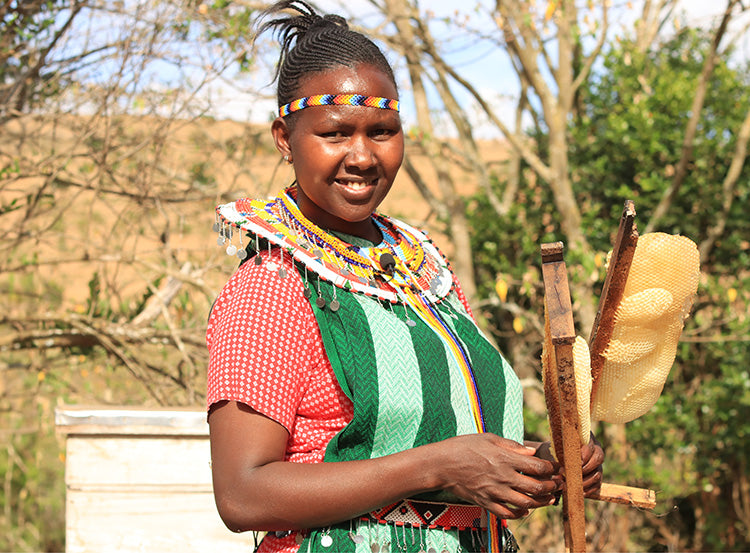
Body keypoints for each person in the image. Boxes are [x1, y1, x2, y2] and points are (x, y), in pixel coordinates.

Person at [206, 2, 604, 552]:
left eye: (383, 131)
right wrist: (438, 466)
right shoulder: (272, 284)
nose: (363, 156)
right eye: (336, 133)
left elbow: (452, 445)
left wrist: (541, 465)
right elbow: (242, 494)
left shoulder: (425, 272)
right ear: (284, 137)